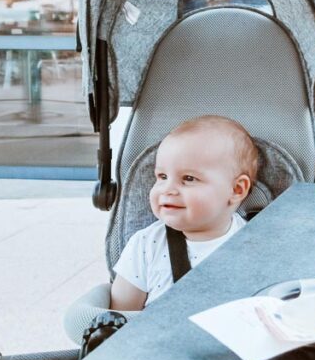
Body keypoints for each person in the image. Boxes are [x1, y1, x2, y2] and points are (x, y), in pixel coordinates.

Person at [110, 115, 258, 310]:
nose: (168, 189)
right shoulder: (146, 245)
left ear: (236, 189)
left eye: (188, 178)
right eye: (162, 176)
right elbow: (120, 318)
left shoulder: (256, 244)